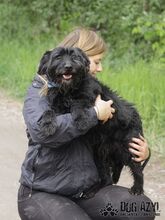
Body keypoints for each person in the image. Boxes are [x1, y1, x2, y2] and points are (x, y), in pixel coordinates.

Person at [18, 28, 155, 220]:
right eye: (97, 62)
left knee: (140, 208)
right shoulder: (40, 90)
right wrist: (95, 114)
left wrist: (141, 153)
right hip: (43, 192)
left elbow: (117, 134)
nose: (100, 69)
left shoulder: (90, 91)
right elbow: (43, 132)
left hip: (88, 192)